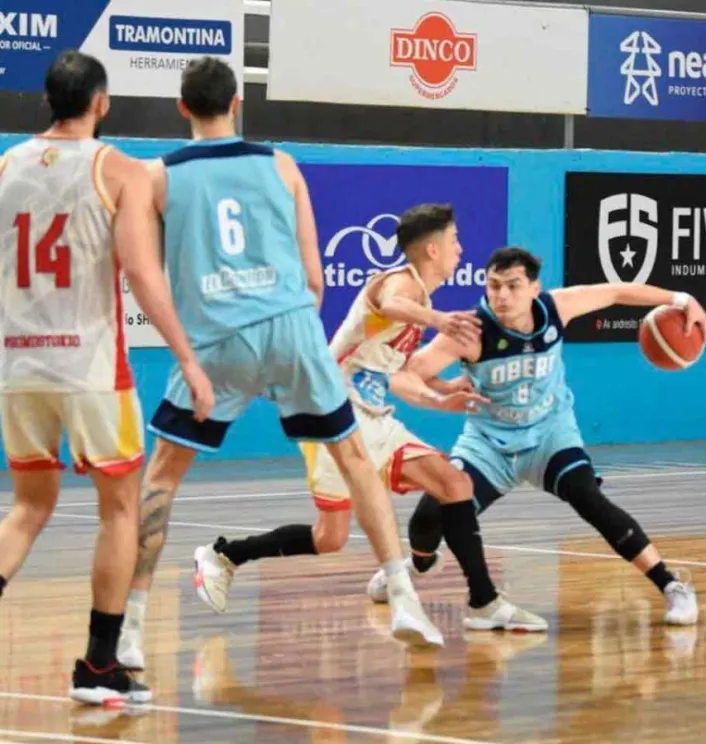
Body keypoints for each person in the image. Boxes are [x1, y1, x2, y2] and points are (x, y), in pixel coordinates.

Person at [115, 56, 443, 671]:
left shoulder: (155, 177)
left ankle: (130, 627)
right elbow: (315, 281)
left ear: (182, 107)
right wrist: (286, 358)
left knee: (161, 479)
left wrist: (192, 353)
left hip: (215, 340)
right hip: (290, 330)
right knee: (354, 460)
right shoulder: (283, 166)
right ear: (237, 103)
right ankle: (403, 597)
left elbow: (144, 275)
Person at [191, 204, 546, 633]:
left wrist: (441, 394)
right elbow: (391, 302)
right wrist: (438, 321)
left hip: (371, 416)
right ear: (432, 250)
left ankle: (483, 600)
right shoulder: (401, 283)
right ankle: (224, 554)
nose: (460, 249)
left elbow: (387, 374)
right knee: (330, 538)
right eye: (454, 241)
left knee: (454, 485)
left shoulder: (419, 295)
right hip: (332, 416)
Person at [0, 50, 214, 704]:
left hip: (16, 363)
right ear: (102, 102)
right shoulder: (116, 168)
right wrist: (186, 357)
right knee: (120, 509)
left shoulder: (4, 166)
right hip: (90, 366)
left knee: (29, 506)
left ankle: (100, 664)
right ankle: (98, 666)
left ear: (47, 101)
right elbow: (144, 277)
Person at [366, 246, 704, 625]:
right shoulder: (470, 331)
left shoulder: (557, 308)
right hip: (489, 445)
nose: (502, 295)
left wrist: (681, 298)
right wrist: (440, 393)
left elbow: (615, 291)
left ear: (533, 288)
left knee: (589, 498)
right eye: (494, 286)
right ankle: (419, 563)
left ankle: (672, 585)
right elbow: (405, 373)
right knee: (428, 519)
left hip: (549, 435)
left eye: (512, 286)